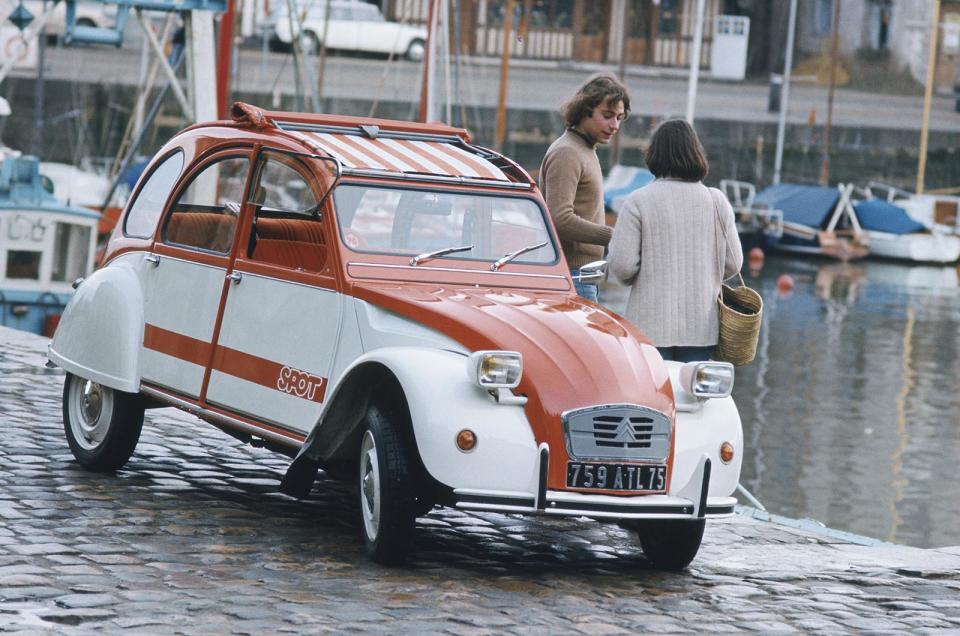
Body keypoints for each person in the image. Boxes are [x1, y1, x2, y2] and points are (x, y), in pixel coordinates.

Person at [608, 119, 743, 363]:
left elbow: (622, 266)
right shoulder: (717, 201)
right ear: (696, 152)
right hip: (702, 327)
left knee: (654, 398)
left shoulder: (638, 201)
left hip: (648, 326)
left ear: (654, 154)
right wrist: (704, 276)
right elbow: (734, 263)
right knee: (692, 399)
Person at [539, 73, 630, 302]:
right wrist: (616, 236)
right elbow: (560, 219)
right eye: (607, 116)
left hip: (583, 276)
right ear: (584, 110)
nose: (615, 125)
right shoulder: (568, 152)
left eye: (620, 117)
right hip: (573, 278)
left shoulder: (584, 149)